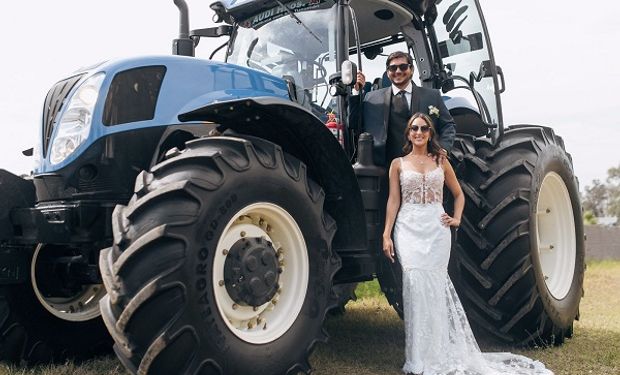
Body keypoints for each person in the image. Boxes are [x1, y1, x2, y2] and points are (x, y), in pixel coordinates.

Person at [382, 112, 553, 375]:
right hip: (407, 229)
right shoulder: (398, 164)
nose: (418, 133)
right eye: (414, 128)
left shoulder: (441, 160)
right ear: (408, 133)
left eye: (424, 129)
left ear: (430, 133)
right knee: (414, 285)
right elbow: (394, 200)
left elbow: (459, 194)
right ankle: (419, 356)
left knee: (436, 286)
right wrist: (386, 233)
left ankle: (438, 352)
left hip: (436, 229)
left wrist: (457, 219)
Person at [349, 51, 456, 166]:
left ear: (412, 69)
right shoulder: (372, 98)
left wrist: (443, 148)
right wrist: (356, 91)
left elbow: (448, 125)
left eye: (403, 67)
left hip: (425, 165)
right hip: (385, 169)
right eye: (393, 68)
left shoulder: (432, 96)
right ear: (388, 72)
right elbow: (354, 124)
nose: (398, 71)